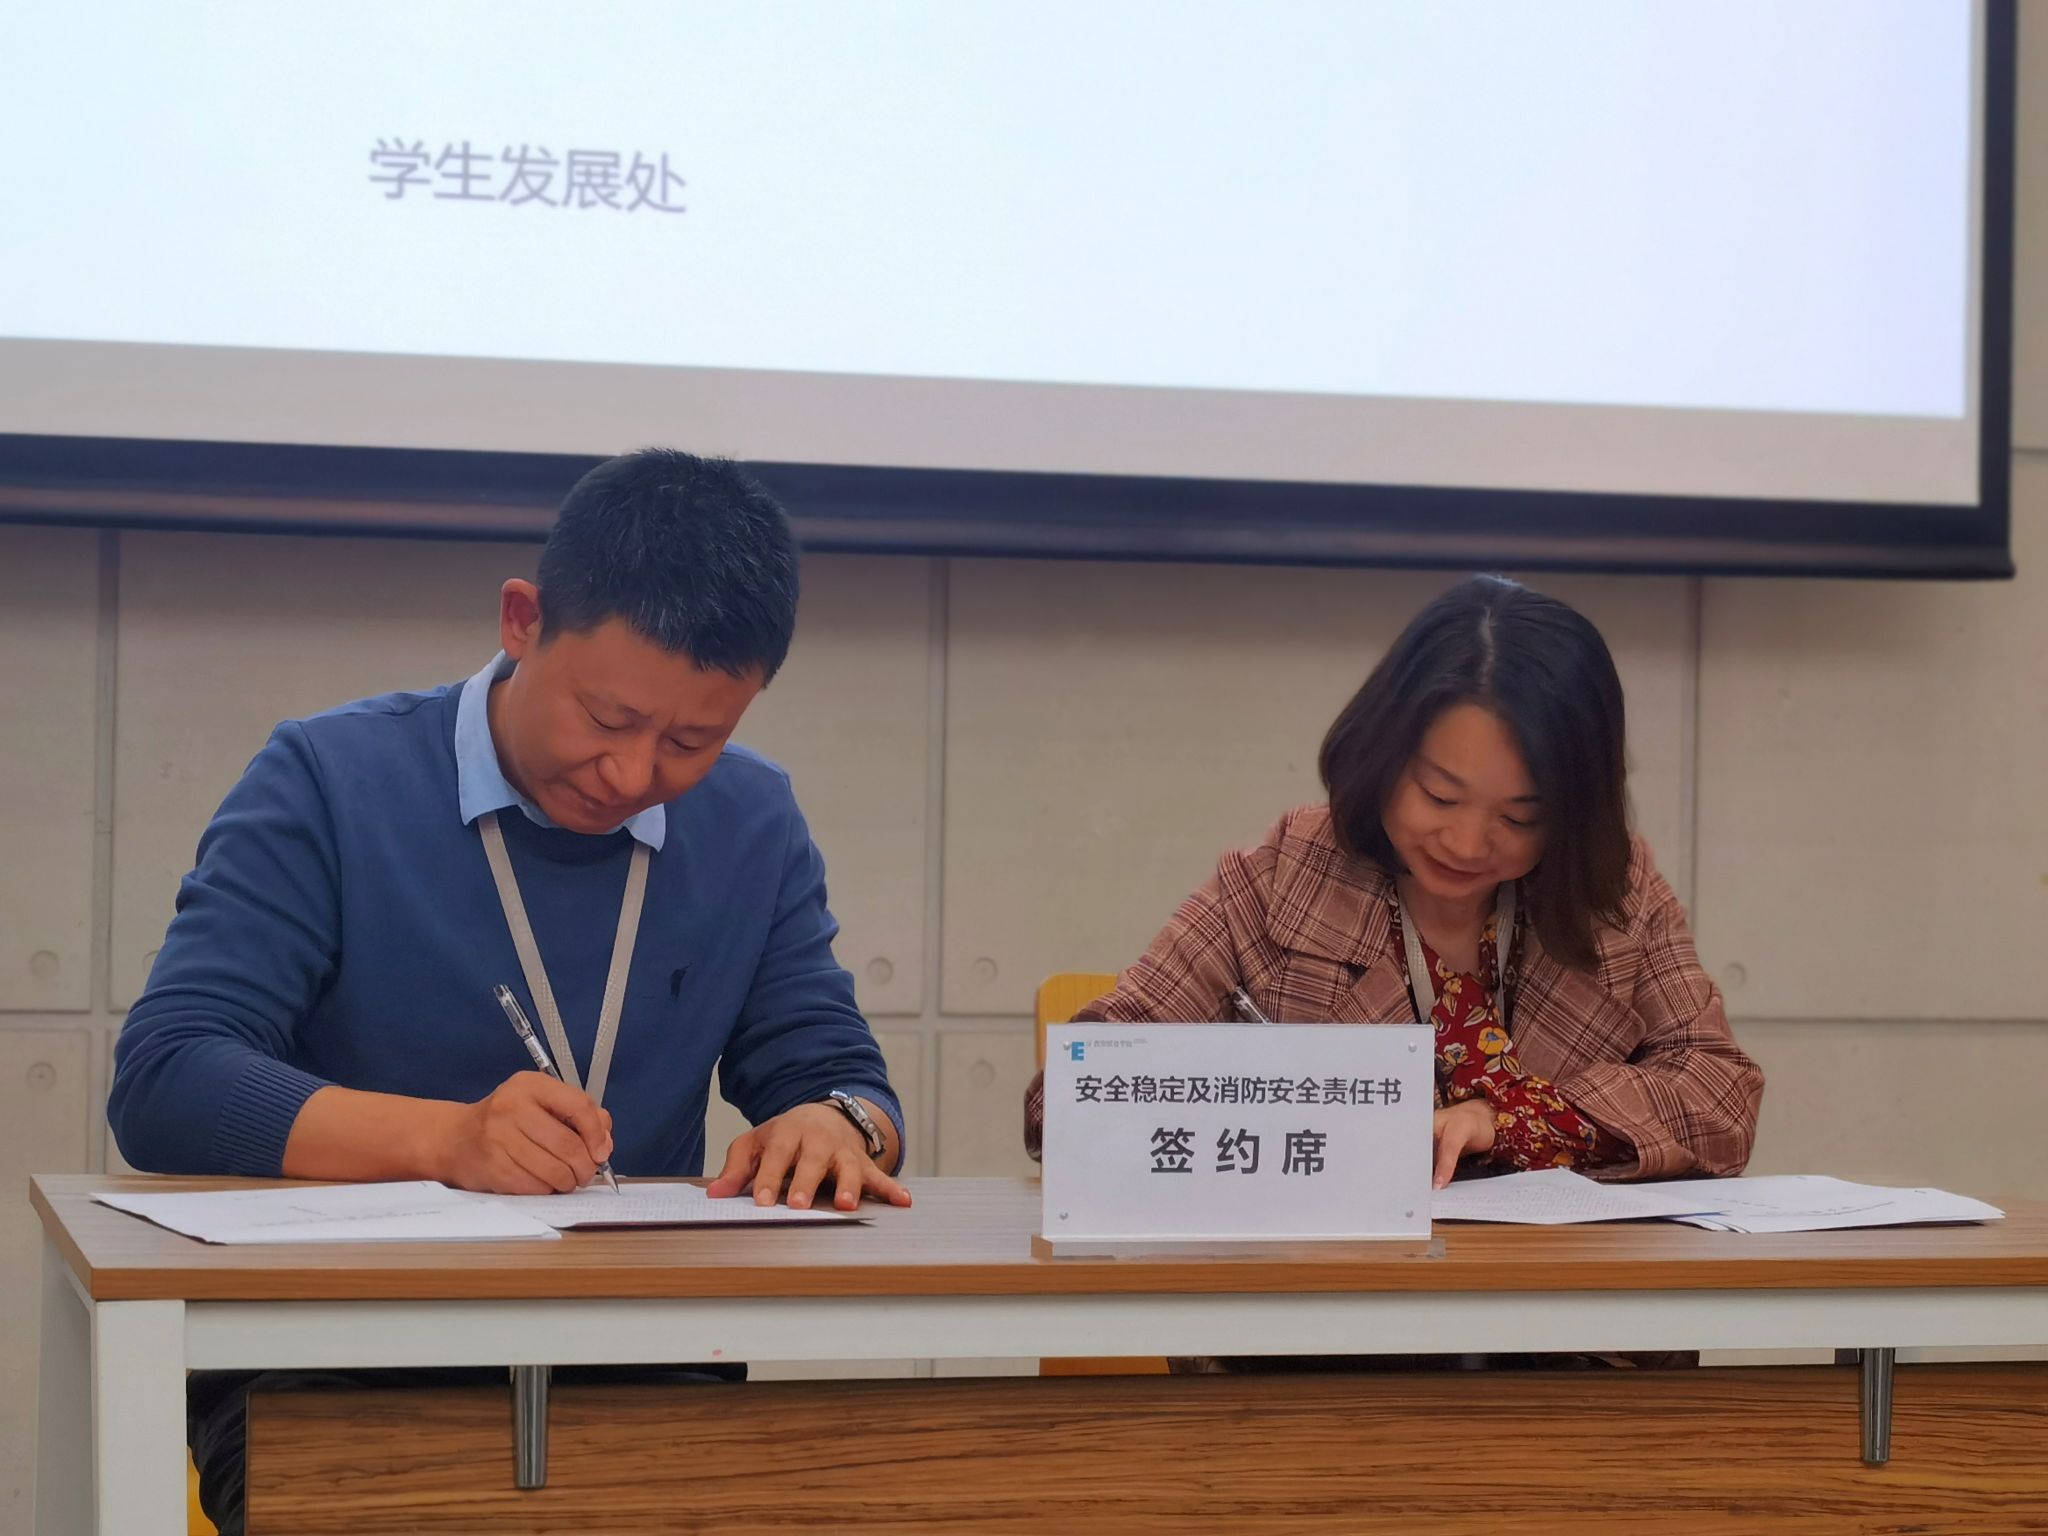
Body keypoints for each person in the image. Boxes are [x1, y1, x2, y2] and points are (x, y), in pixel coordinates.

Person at [110, 448, 909, 1533]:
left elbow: (840, 1076)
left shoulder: (751, 821)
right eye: (607, 720)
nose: (632, 776)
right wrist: (444, 1142)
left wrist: (839, 1124)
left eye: (692, 740)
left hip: (640, 1362)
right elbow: (168, 1078)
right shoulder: (331, 780)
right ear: (523, 621)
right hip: (332, 1360)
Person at [1025, 574, 1762, 1190]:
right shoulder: (1280, 881)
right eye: (1440, 796)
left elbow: (1720, 1093)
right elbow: (1067, 1103)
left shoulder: (1615, 893)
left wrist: (1512, 1120)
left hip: (1562, 1305)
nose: (1466, 843)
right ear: (1382, 753)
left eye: (1520, 817)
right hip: (1327, 1306)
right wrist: (1287, 1108)